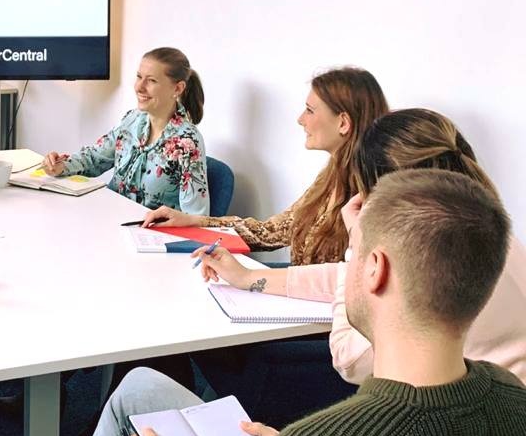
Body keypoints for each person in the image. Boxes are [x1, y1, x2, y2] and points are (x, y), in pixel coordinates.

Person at [61, 169, 526, 436]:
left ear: (375, 270)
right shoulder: (513, 397)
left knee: (134, 414)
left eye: (351, 254)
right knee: (142, 386)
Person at [197, 108, 526, 388]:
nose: (299, 119)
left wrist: (357, 245)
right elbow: (347, 277)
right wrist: (249, 278)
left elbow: (349, 359)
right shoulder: (485, 233)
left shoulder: (432, 263)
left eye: (310, 109)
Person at [144, 66, 388, 265]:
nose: (300, 119)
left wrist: (251, 279)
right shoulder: (331, 175)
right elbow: (271, 232)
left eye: (310, 111)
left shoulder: (373, 198)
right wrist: (194, 221)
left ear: (343, 123)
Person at [43, 47, 209, 214]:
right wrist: (61, 166)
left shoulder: (188, 142)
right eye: (139, 77)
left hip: (147, 228)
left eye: (151, 80)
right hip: (110, 216)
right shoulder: (132, 120)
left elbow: (196, 216)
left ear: (178, 89)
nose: (139, 87)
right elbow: (95, 158)